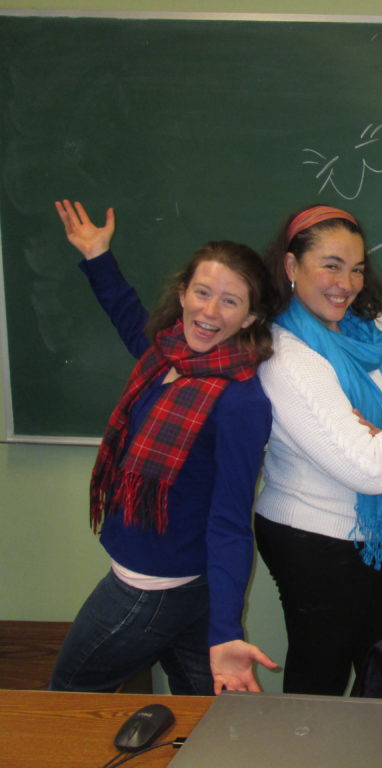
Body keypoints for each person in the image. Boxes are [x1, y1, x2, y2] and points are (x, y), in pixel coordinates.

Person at [50, 200, 278, 695]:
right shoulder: (166, 352)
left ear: (251, 317)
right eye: (202, 292)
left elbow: (231, 521)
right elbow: (129, 318)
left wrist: (227, 633)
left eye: (230, 301)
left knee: (66, 697)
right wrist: (97, 256)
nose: (209, 311)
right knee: (206, 716)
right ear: (182, 294)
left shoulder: (240, 401)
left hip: (148, 586)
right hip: (190, 585)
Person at [255, 204, 382, 696]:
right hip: (312, 537)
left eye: (357, 268)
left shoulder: (371, 327)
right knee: (318, 684)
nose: (347, 282)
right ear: (290, 267)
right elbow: (373, 471)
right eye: (331, 265)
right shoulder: (286, 356)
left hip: (372, 536)